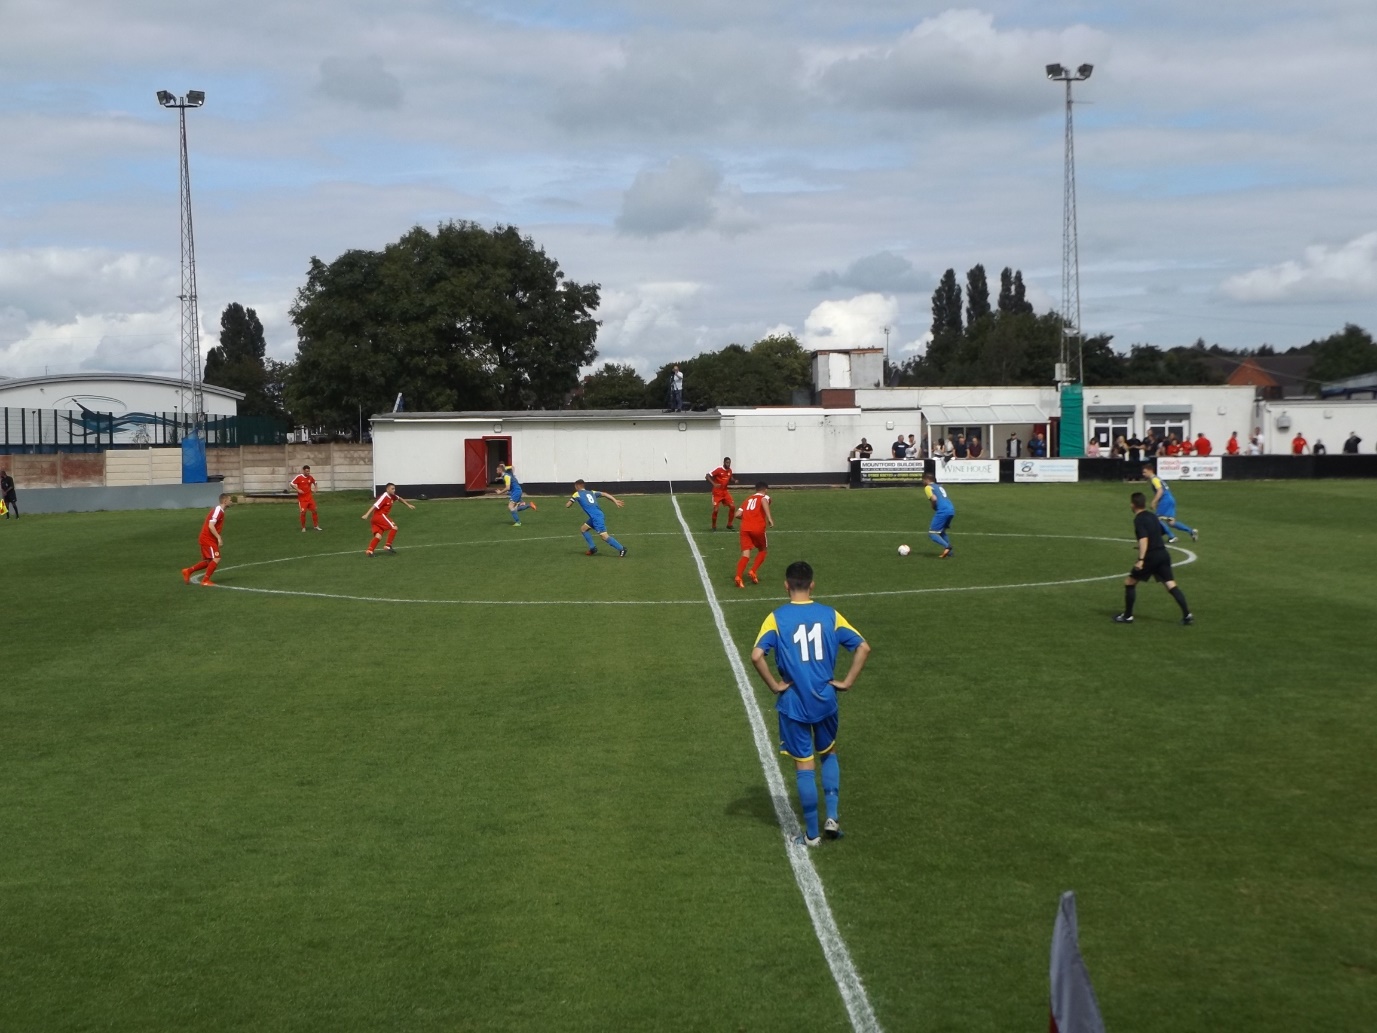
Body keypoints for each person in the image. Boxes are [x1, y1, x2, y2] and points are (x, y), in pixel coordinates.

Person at [750, 560, 871, 847]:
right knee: (828, 753)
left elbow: (756, 656)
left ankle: (812, 835)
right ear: (812, 585)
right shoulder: (830, 615)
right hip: (825, 699)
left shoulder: (776, 618)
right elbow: (863, 647)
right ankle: (832, 818)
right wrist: (847, 682)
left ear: (786, 585)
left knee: (804, 764)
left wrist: (774, 685)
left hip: (794, 703)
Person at [1115, 491, 1193, 626]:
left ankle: (1128, 616)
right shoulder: (1152, 516)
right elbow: (1160, 531)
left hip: (1150, 557)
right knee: (1170, 585)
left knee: (1129, 582)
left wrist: (1141, 559)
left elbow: (1144, 539)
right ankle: (1187, 614)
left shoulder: (1139, 519)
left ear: (1133, 505)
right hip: (1163, 554)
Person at [565, 479, 627, 556]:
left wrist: (570, 501)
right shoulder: (591, 492)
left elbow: (568, 505)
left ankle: (622, 549)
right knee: (583, 529)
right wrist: (615, 501)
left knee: (604, 536)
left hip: (596, 518)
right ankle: (593, 548)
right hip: (596, 515)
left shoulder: (576, 494)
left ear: (576, 486)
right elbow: (604, 494)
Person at [182, 493, 232, 586]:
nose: (231, 502)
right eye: (230, 500)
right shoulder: (218, 510)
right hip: (207, 538)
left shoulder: (220, 511)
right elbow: (211, 525)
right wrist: (218, 537)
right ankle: (205, 580)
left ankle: (188, 571)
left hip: (208, 538)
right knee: (217, 558)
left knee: (208, 561)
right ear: (225, 501)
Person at [1143, 463, 1198, 543]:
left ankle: (1172, 536)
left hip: (1165, 500)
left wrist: (1154, 502)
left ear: (1150, 471)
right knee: (1171, 522)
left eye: (1144, 472)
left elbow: (1160, 491)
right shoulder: (1157, 478)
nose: (1143, 474)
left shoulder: (1154, 479)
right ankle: (1191, 531)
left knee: (1157, 519)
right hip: (1170, 499)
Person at [733, 482, 774, 587]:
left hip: (744, 528)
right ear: (765, 489)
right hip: (757, 527)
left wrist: (748, 518)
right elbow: (764, 501)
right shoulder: (764, 497)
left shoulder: (748, 499)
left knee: (745, 554)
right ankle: (753, 571)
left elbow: (737, 514)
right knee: (763, 549)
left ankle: (738, 577)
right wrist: (769, 518)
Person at [362, 482, 415, 555]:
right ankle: (388, 545)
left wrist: (408, 505)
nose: (394, 490)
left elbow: (399, 498)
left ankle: (370, 550)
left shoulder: (392, 496)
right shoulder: (384, 496)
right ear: (387, 489)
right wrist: (366, 515)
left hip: (375, 519)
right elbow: (375, 505)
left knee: (378, 536)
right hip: (379, 516)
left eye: (394, 489)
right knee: (394, 527)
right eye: (392, 489)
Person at [922, 471, 955, 558]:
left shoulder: (928, 487)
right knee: (942, 532)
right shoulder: (939, 486)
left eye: (923, 480)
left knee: (932, 533)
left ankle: (947, 546)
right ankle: (950, 553)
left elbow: (934, 499)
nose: (923, 482)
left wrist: (933, 506)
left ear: (927, 480)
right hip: (951, 509)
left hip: (943, 511)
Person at [705, 457, 737, 531]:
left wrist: (734, 480)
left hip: (725, 492)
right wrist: (714, 484)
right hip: (717, 492)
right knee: (716, 510)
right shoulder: (719, 469)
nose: (728, 464)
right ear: (724, 462)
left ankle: (729, 524)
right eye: (727, 463)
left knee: (732, 506)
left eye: (729, 463)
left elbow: (730, 477)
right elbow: (707, 476)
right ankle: (714, 526)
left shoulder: (729, 470)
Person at [289, 464, 321, 531]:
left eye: (309, 471)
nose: (308, 472)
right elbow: (291, 484)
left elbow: (315, 482)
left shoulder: (310, 477)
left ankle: (316, 526)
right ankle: (303, 527)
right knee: (303, 512)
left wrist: (315, 488)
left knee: (315, 511)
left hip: (310, 498)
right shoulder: (299, 477)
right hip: (302, 499)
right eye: (307, 471)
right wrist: (298, 489)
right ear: (303, 471)